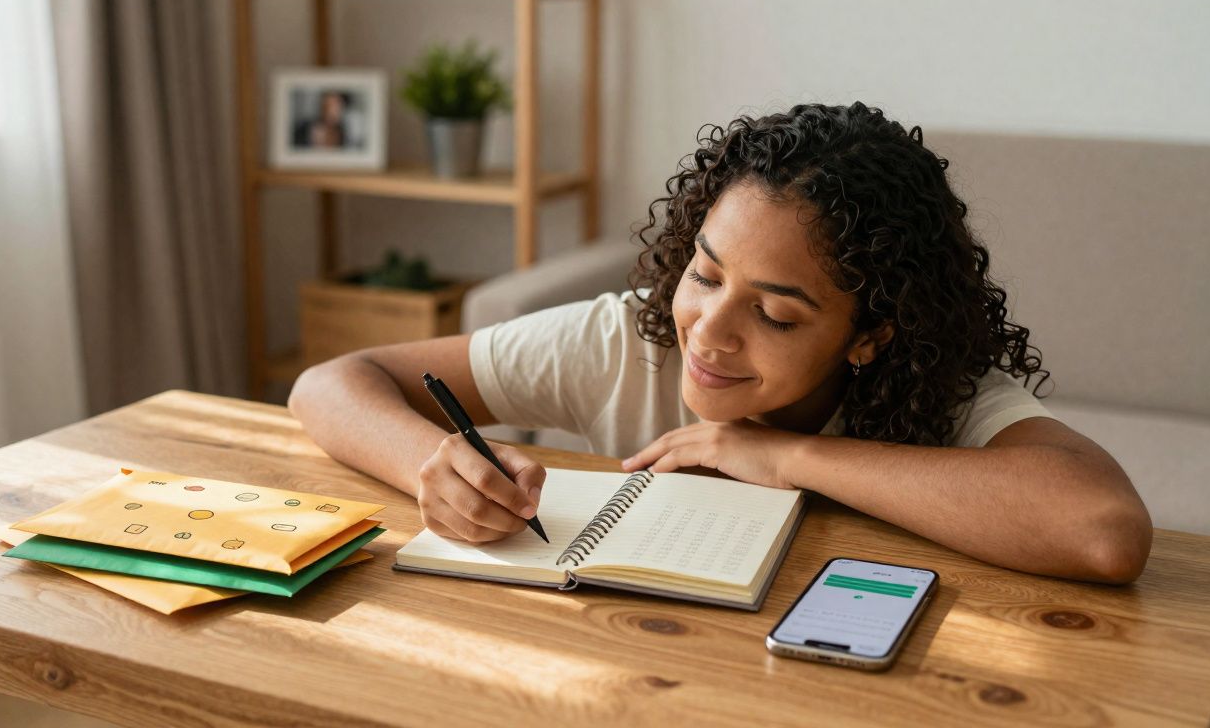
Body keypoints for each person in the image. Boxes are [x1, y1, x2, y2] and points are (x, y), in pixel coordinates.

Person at [289, 103, 1152, 584]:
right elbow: (331, 383)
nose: (709, 330)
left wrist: (785, 458)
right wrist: (428, 466)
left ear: (869, 337)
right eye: (704, 275)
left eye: (776, 316)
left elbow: (1105, 529)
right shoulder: (634, 337)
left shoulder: (940, 388)